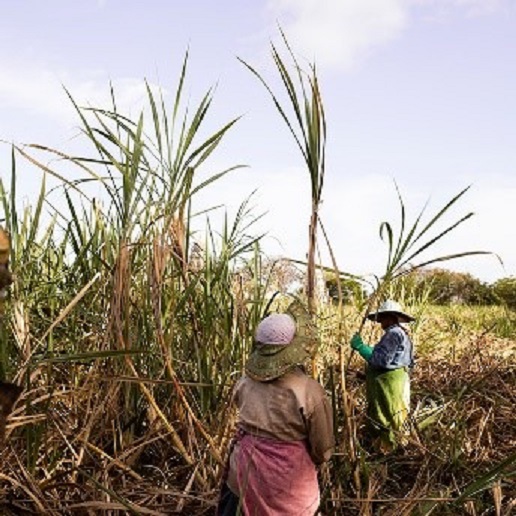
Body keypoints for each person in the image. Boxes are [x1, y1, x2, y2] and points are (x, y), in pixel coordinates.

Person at [217, 302, 335, 516]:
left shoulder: (244, 382)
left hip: (242, 474)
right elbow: (323, 449)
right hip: (288, 484)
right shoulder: (309, 390)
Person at [350, 299, 415, 452]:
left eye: (383, 318)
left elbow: (381, 361)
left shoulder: (393, 334)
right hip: (394, 381)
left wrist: (361, 348)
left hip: (390, 384)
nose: (380, 322)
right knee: (394, 415)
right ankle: (396, 445)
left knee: (388, 415)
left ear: (391, 317)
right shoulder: (398, 333)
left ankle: (389, 448)